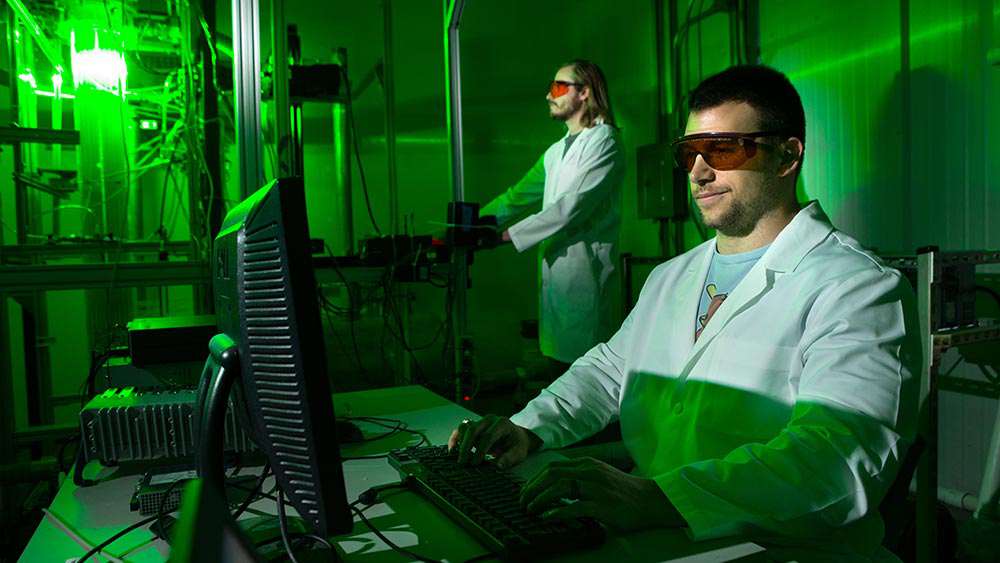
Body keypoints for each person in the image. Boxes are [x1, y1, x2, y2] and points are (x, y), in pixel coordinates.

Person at [451, 65, 920, 561]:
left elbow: (834, 459)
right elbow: (610, 370)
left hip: (782, 547)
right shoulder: (672, 276)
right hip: (656, 532)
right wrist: (529, 427)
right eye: (689, 151)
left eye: (723, 148)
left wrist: (657, 498)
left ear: (787, 155)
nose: (698, 170)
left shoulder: (858, 287)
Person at [480, 59, 625, 377]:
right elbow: (517, 196)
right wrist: (471, 222)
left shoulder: (605, 143)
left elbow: (570, 208)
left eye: (559, 87)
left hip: (585, 277)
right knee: (559, 370)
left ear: (584, 92)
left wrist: (503, 236)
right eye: (550, 88)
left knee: (586, 378)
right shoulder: (556, 151)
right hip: (557, 280)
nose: (549, 95)